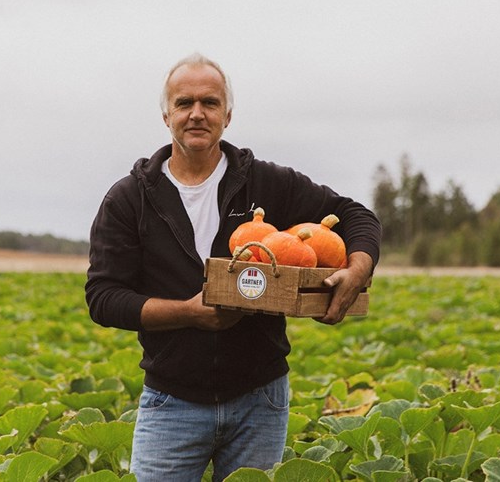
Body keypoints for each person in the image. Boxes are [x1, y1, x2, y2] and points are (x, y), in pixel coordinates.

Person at [85, 53, 381, 481]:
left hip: (260, 398)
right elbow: (104, 297)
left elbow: (355, 216)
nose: (197, 114)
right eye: (185, 103)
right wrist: (188, 313)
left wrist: (357, 269)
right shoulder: (131, 197)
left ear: (228, 114)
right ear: (166, 114)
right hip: (172, 400)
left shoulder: (266, 182)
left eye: (210, 102)